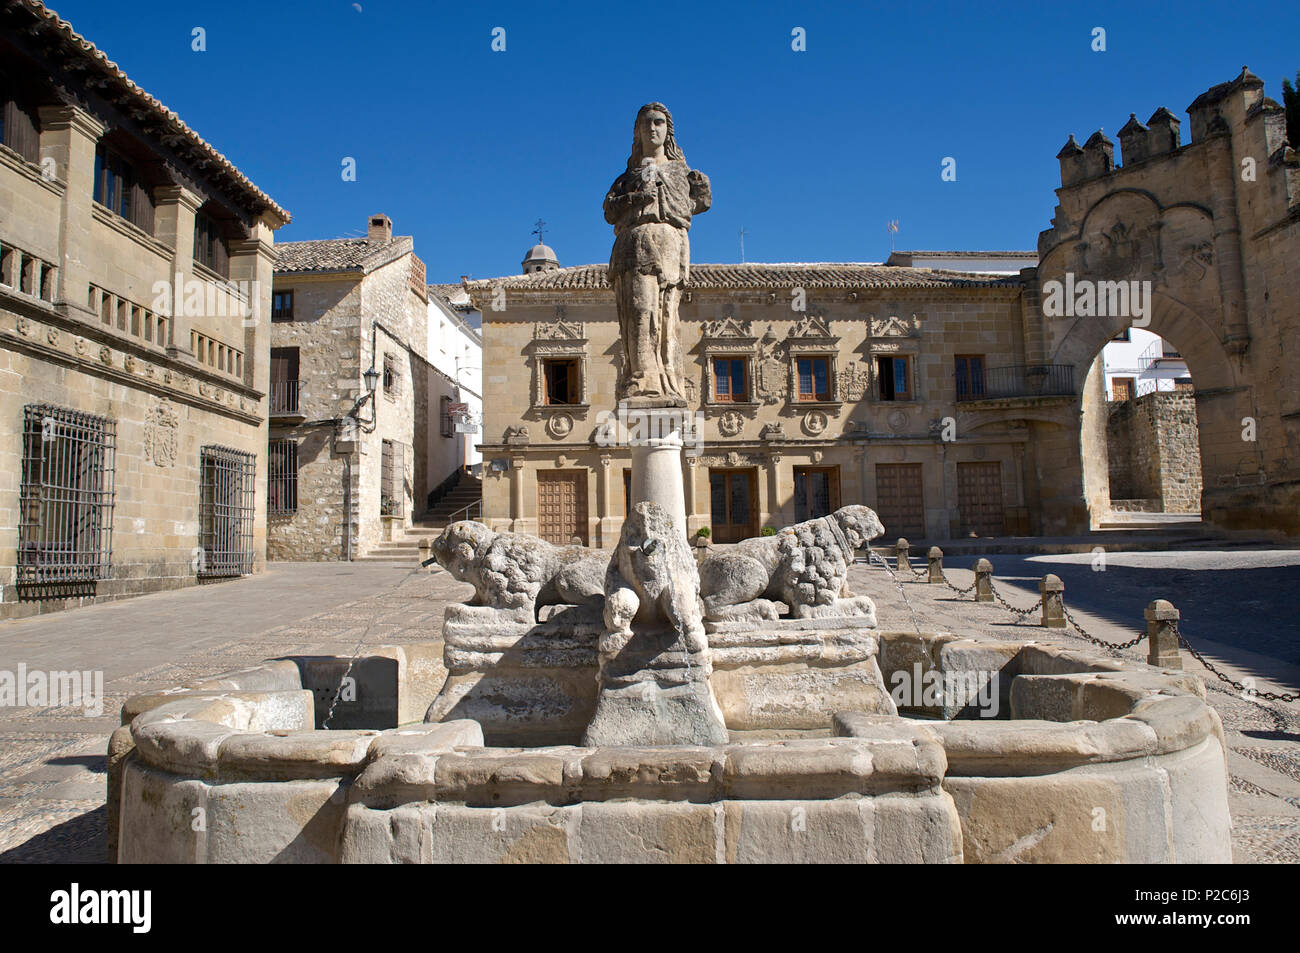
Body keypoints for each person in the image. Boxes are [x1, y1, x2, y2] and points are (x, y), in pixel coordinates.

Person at [603, 103, 711, 404]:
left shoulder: (680, 171)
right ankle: (642, 378)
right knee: (639, 311)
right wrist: (637, 196)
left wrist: (701, 189)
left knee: (667, 319)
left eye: (659, 122)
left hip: (670, 245)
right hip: (634, 246)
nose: (653, 128)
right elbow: (609, 211)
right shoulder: (627, 177)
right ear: (637, 132)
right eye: (647, 123)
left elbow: (696, 205)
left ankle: (668, 380)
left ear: (668, 130)